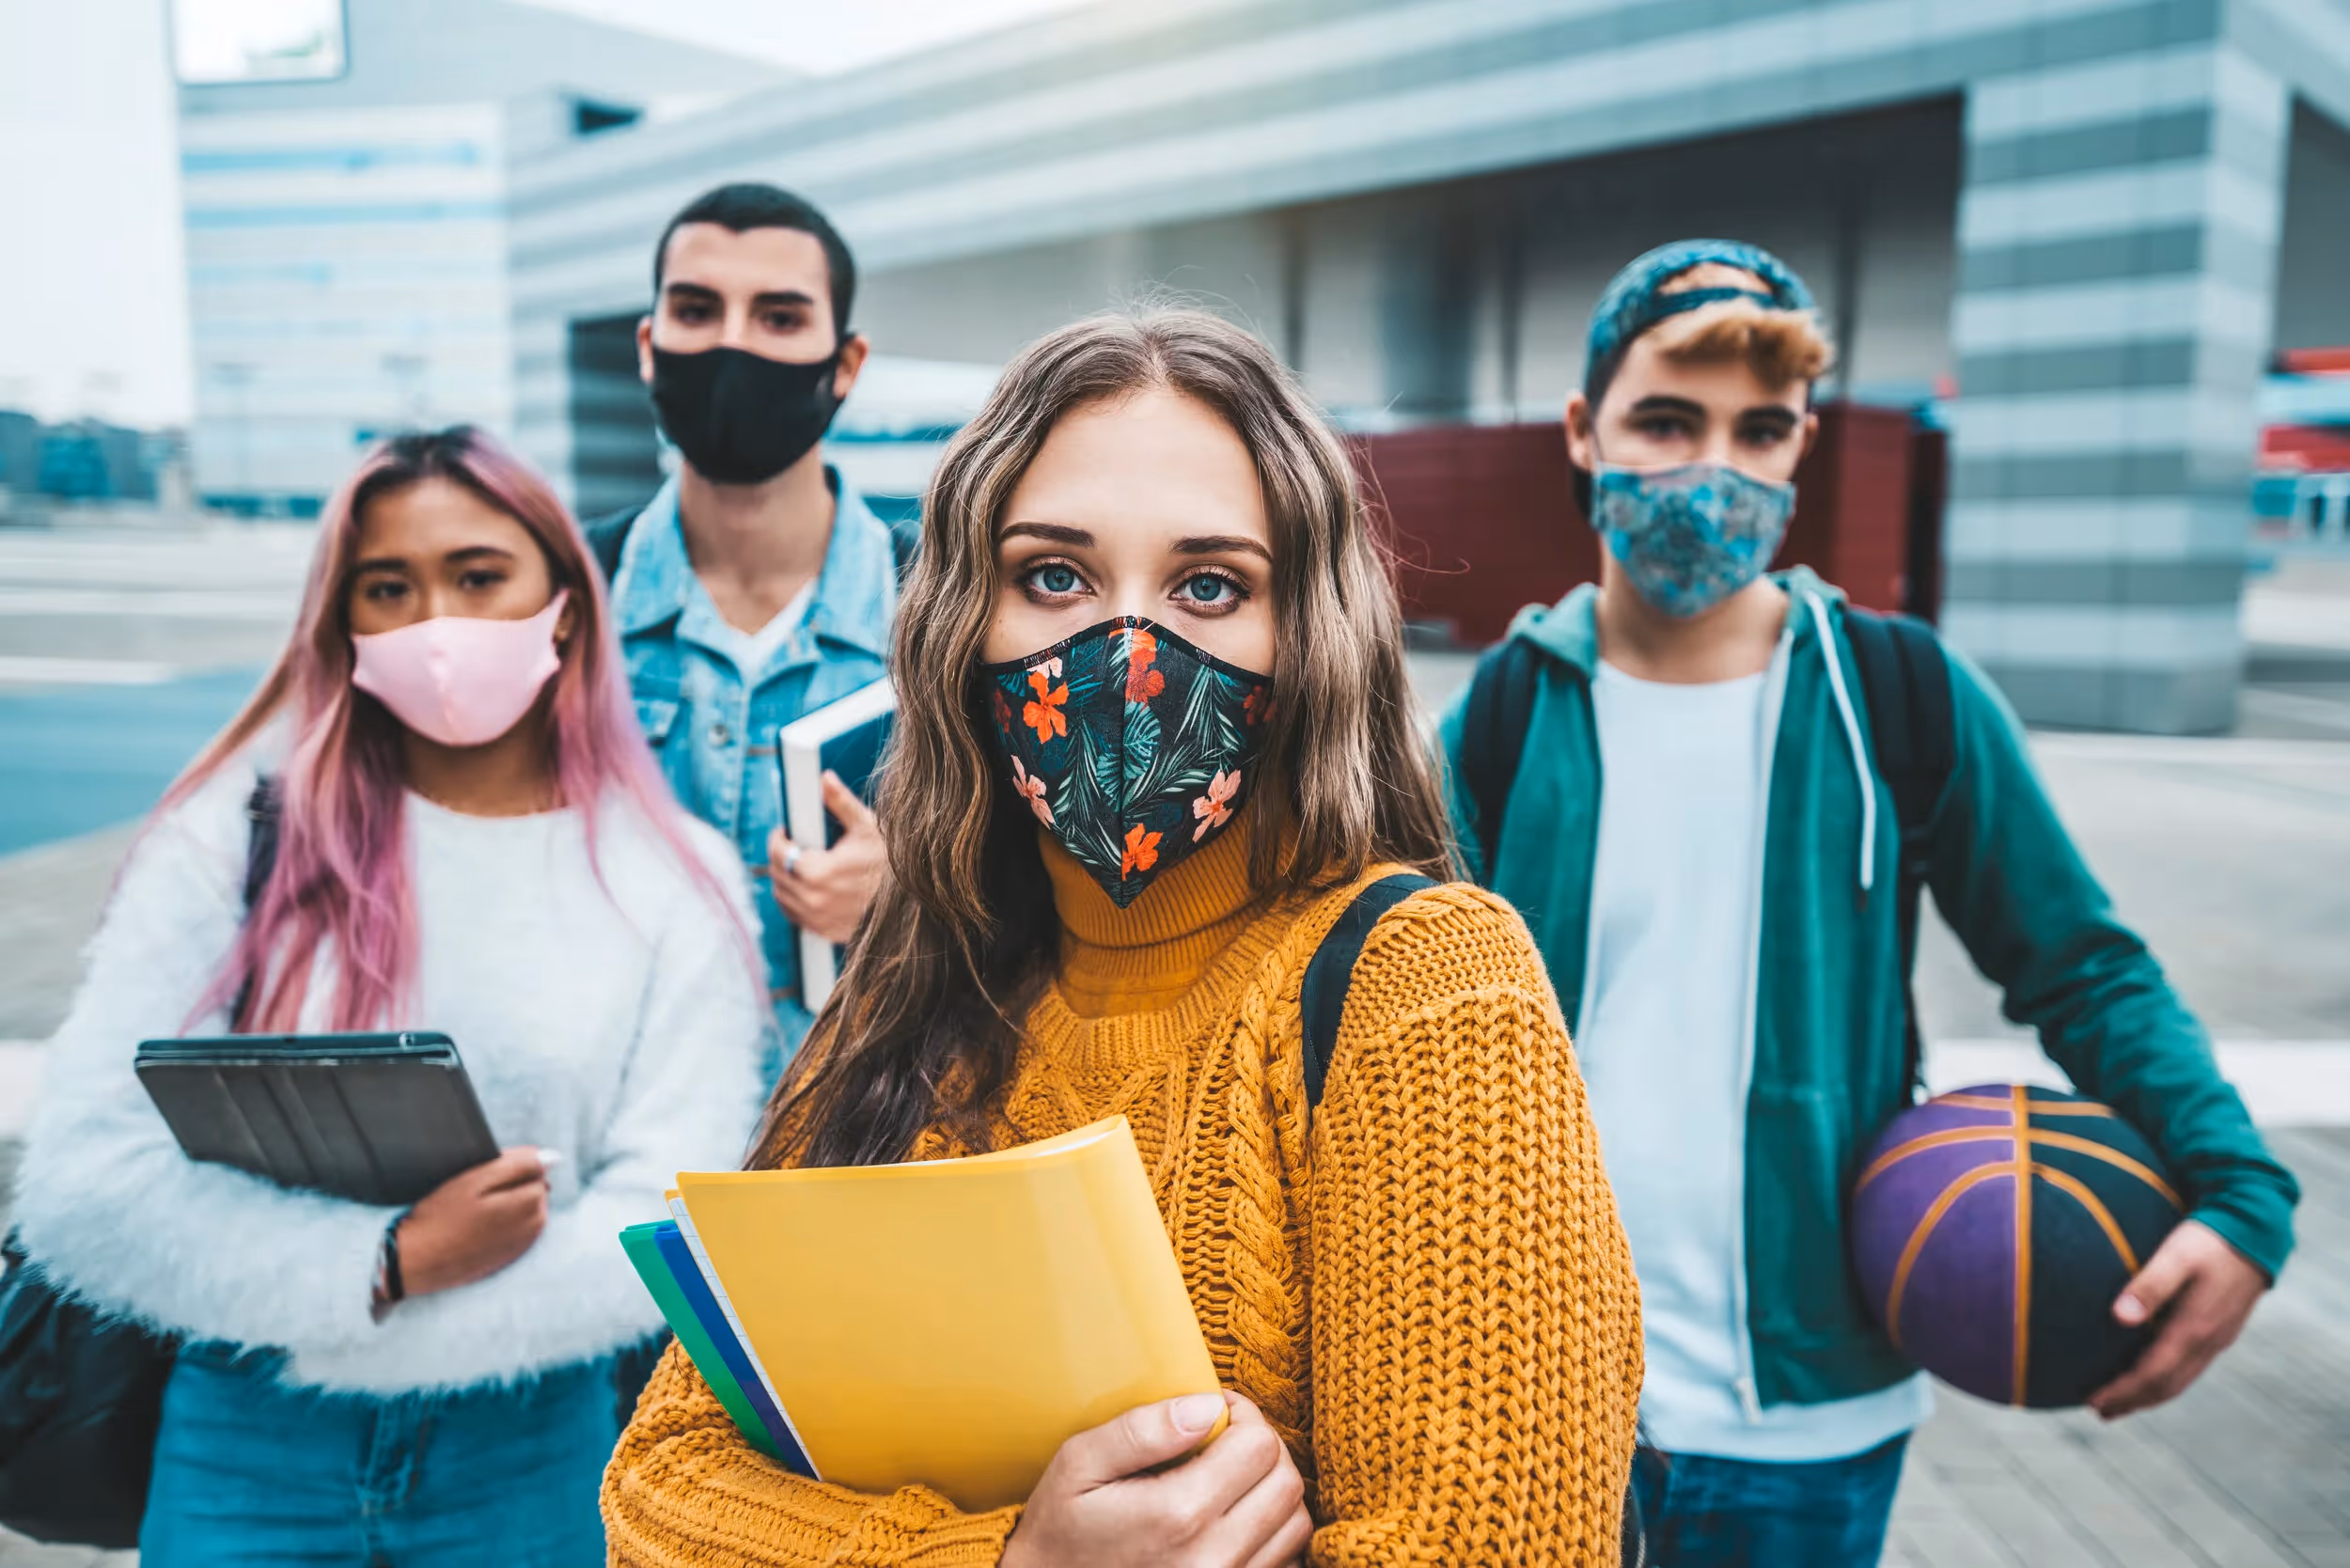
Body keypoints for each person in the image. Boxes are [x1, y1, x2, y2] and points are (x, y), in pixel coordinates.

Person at [600, 308, 1645, 1565]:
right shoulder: (911, 983)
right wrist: (1008, 1560)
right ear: (962, 628)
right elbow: (659, 1487)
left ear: (1305, 638)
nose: (1129, 654)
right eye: (1055, 576)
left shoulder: (1419, 985)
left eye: (1210, 585)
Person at [1436, 239, 2300, 1567]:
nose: (1711, 469)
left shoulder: (1899, 693)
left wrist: (2242, 1193)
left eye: (1758, 431)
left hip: (1809, 1424)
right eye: (1665, 421)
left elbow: (2081, 967)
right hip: (1529, 1402)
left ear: (1802, 447)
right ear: (1581, 431)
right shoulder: (1503, 714)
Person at [10, 427, 768, 1565]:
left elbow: (669, 1215)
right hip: (243, 1438)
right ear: (344, 624)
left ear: (565, 606)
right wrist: (389, 1261)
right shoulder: (233, 840)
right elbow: (84, 1187)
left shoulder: (675, 878)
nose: (437, 624)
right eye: (387, 588)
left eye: (478, 575)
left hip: (532, 1451)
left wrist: (391, 1304)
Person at [600, 180, 904, 1076]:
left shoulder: (945, 608)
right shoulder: (566, 603)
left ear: (845, 364)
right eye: (697, 311)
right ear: (650, 346)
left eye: (779, 317)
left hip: (862, 1126)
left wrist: (912, 898)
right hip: (630, 1128)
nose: (733, 344)